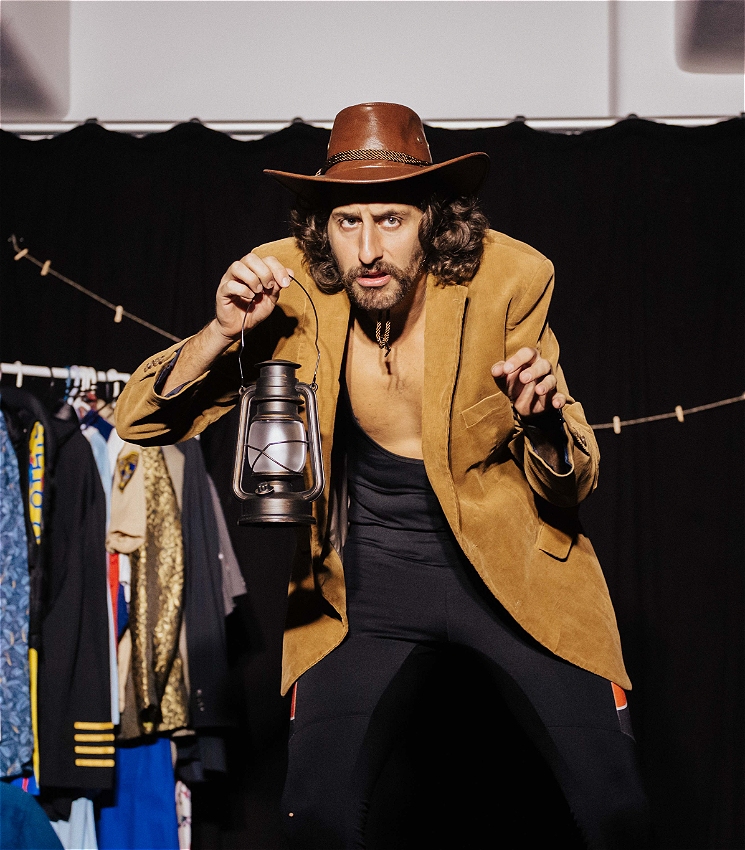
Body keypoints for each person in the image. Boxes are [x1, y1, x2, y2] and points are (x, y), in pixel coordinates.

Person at [116, 102, 650, 848]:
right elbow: (139, 422)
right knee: (316, 817)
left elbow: (570, 483)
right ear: (321, 228)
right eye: (346, 221)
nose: (367, 249)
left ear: (433, 219)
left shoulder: (511, 280)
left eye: (390, 220)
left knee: (616, 810)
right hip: (360, 588)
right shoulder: (288, 285)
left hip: (516, 572)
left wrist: (539, 421)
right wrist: (221, 333)